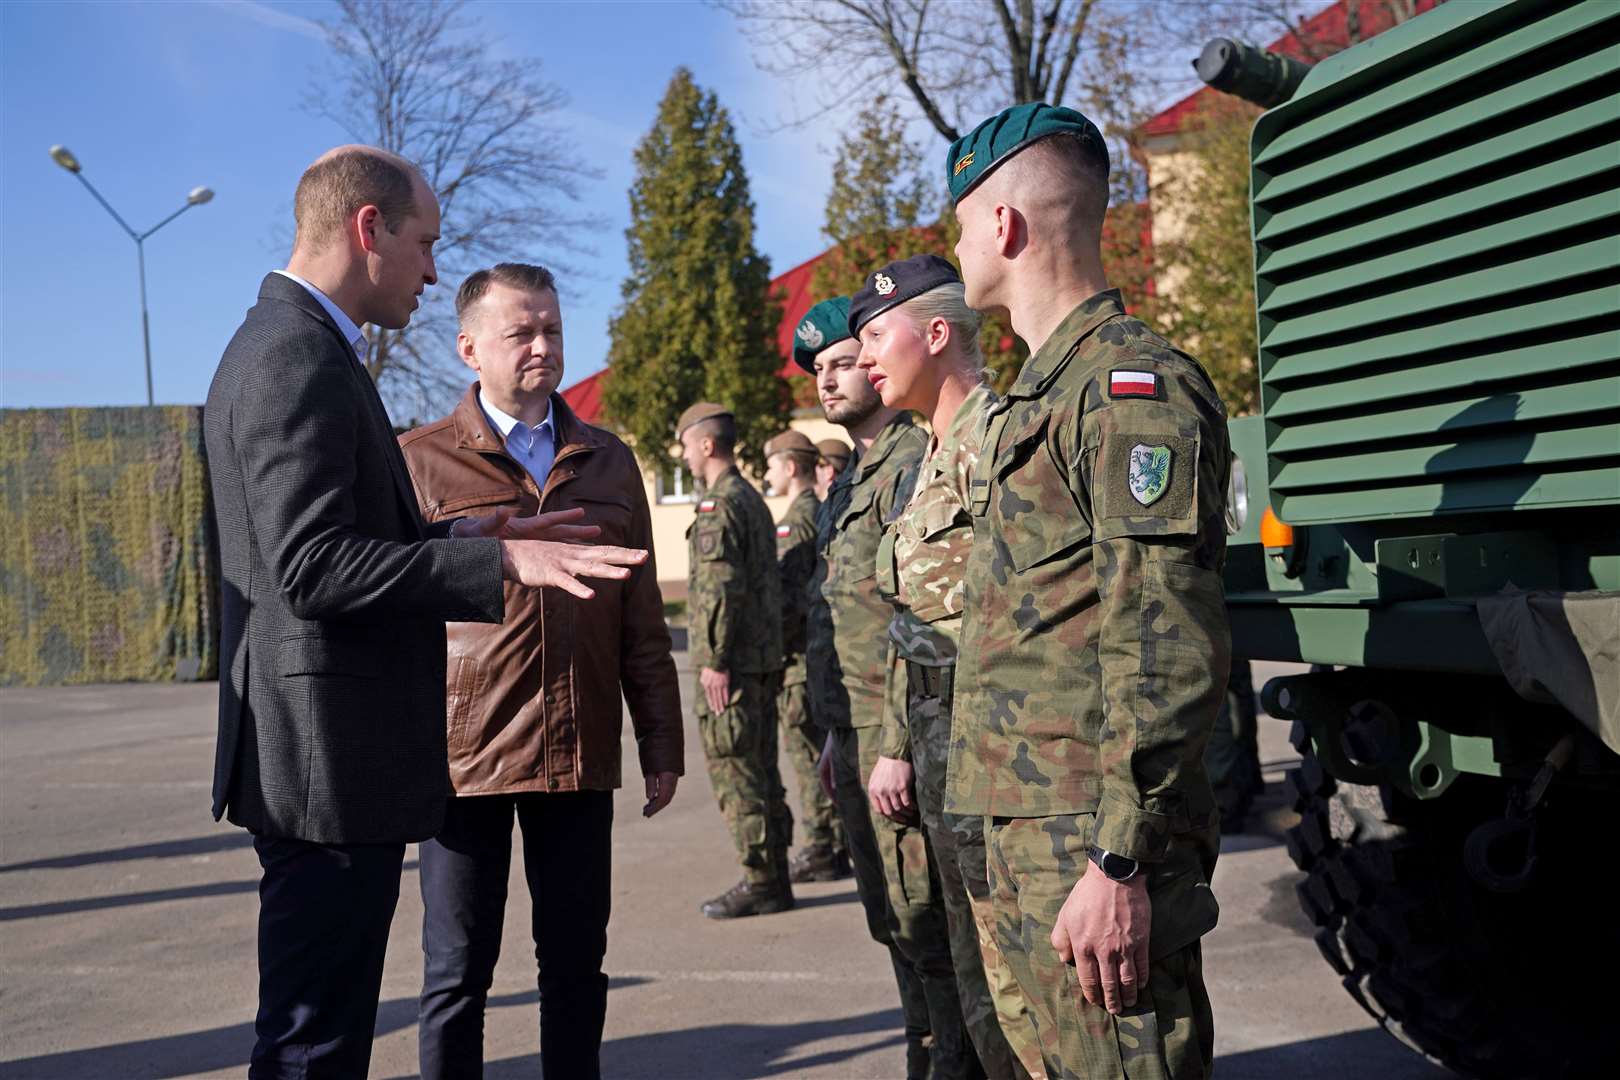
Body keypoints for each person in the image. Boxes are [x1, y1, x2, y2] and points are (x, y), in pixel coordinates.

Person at [204, 146, 646, 1078]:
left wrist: (470, 533)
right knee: (312, 1046)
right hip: (324, 765)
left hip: (326, 760)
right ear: (370, 230)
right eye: (425, 242)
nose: (434, 269)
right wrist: (497, 560)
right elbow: (311, 566)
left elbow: (324, 541)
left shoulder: (298, 346)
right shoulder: (296, 357)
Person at [947, 103, 1232, 1078]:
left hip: (1088, 852)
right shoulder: (1041, 397)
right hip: (1025, 841)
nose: (954, 245)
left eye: (960, 221)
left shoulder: (1127, 390)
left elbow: (1165, 642)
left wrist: (1120, 861)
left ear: (1003, 227)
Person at [396, 262, 683, 1079]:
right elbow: (388, 604)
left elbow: (641, 618)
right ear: (468, 348)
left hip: (577, 752)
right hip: (463, 764)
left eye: (552, 328)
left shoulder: (608, 460)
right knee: (457, 976)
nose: (543, 347)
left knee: (573, 970)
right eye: (521, 331)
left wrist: (660, 742)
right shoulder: (416, 464)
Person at [854, 254, 1046, 1080]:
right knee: (977, 987)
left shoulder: (1002, 443)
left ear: (937, 334)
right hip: (942, 747)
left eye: (874, 338)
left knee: (1029, 996)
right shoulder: (928, 453)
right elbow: (914, 625)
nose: (865, 361)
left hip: (1006, 754)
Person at [795, 297, 977, 1079]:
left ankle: (950, 1068)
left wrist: (894, 744)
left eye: (841, 361)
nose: (830, 381)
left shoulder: (914, 458)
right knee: (897, 924)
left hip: (904, 732)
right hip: (860, 730)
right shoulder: (853, 478)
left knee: (931, 927)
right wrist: (835, 733)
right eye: (817, 372)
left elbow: (919, 614)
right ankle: (927, 1059)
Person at [677, 402, 795, 918]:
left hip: (735, 665)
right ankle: (774, 873)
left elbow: (720, 590)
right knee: (761, 769)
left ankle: (760, 877)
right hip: (760, 660)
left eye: (684, 445)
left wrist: (715, 660)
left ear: (706, 444)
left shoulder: (718, 506)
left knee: (737, 771)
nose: (683, 457)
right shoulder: (750, 498)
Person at [762, 429, 850, 883]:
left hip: (798, 660)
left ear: (790, 466)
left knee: (808, 758)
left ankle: (822, 847)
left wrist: (772, 651)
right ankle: (831, 843)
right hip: (807, 657)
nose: (766, 474)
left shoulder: (797, 519)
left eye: (771, 464)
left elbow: (791, 599)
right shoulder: (808, 511)